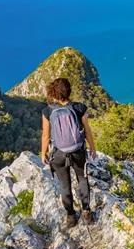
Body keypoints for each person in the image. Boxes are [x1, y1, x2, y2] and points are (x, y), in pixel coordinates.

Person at [40, 78, 97, 228]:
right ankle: (86, 213)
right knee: (82, 179)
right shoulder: (79, 107)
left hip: (59, 154)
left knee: (64, 185)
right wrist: (92, 147)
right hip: (78, 151)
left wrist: (43, 153)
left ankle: (71, 216)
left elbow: (46, 135)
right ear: (69, 91)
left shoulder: (47, 111)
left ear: (53, 93)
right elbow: (87, 130)